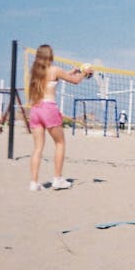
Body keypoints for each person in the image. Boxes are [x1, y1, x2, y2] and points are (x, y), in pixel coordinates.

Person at [27, 44, 92, 191]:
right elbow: (75, 81)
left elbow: (52, 80)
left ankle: (34, 183)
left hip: (36, 110)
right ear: (50, 56)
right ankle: (57, 179)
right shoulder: (55, 69)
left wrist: (72, 71)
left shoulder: (35, 73)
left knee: (37, 148)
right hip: (49, 109)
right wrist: (84, 72)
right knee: (60, 143)